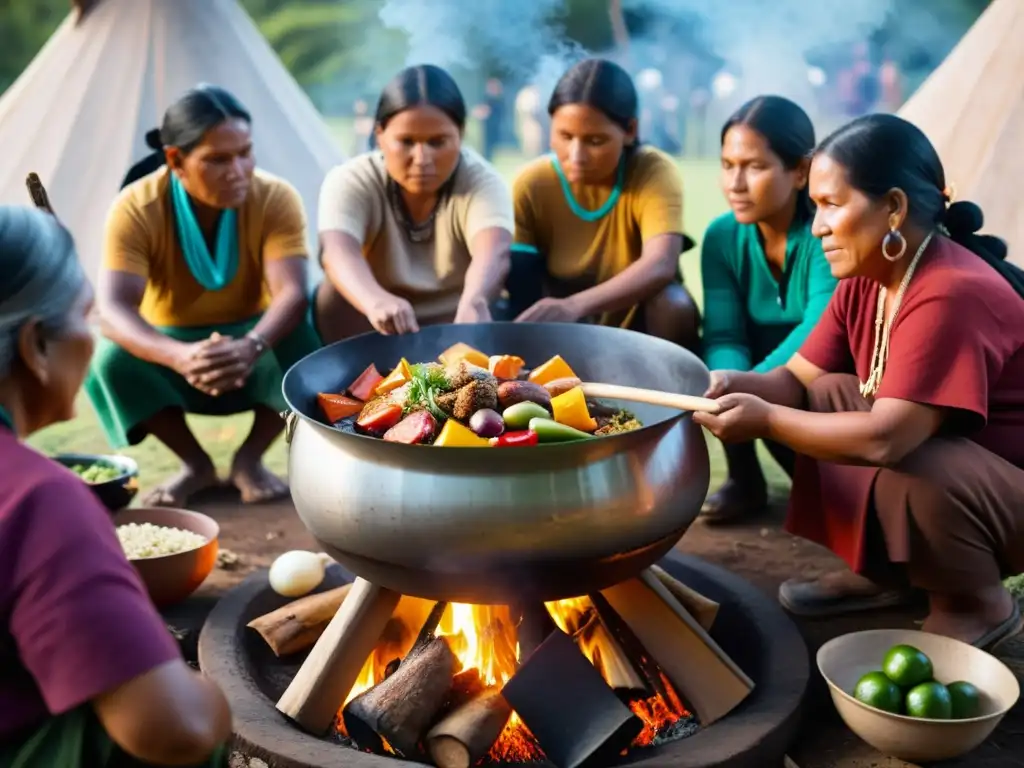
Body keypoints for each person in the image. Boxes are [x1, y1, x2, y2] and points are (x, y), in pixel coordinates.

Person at [694, 114, 1024, 650]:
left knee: (910, 454)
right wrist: (733, 384)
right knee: (829, 396)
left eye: (831, 205)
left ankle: (975, 603)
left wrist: (768, 419)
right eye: (816, 205)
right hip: (971, 474)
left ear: (893, 207)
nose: (818, 225)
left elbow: (886, 438)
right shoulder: (869, 277)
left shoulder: (950, 291)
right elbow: (796, 380)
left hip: (1004, 492)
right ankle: (888, 574)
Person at [0, 206, 232, 766]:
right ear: (35, 346)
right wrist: (220, 700)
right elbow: (178, 729)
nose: (94, 336)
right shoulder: (38, 498)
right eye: (85, 316)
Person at [86, 84, 320, 508]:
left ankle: (249, 460)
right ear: (176, 160)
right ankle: (195, 466)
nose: (239, 170)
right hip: (170, 347)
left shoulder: (275, 197)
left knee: (303, 335)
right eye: (218, 159)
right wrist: (178, 356)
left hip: (251, 342)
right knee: (108, 358)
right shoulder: (136, 207)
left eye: (246, 152)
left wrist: (252, 345)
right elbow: (113, 308)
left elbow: (291, 293)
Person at [700, 96, 838, 524]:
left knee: (829, 507)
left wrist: (749, 385)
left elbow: (821, 332)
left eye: (755, 167)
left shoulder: (826, 234)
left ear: (800, 171)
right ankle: (744, 480)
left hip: (818, 375)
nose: (735, 183)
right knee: (710, 362)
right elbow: (724, 335)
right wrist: (723, 380)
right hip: (767, 377)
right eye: (727, 165)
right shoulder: (721, 237)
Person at [506, 58, 700, 348]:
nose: (576, 154)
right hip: (563, 333)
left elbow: (661, 264)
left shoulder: (652, 172)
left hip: (639, 331)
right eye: (564, 136)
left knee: (673, 304)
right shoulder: (532, 183)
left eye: (595, 141)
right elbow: (521, 283)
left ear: (630, 130)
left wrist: (574, 305)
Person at [314, 65, 514, 341]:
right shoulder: (351, 179)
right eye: (406, 141)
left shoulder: (482, 181)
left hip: (454, 327)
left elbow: (494, 252)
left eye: (437, 142)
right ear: (380, 134)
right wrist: (377, 301)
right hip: (369, 327)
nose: (422, 158)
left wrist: (475, 301)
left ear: (461, 133)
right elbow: (336, 253)